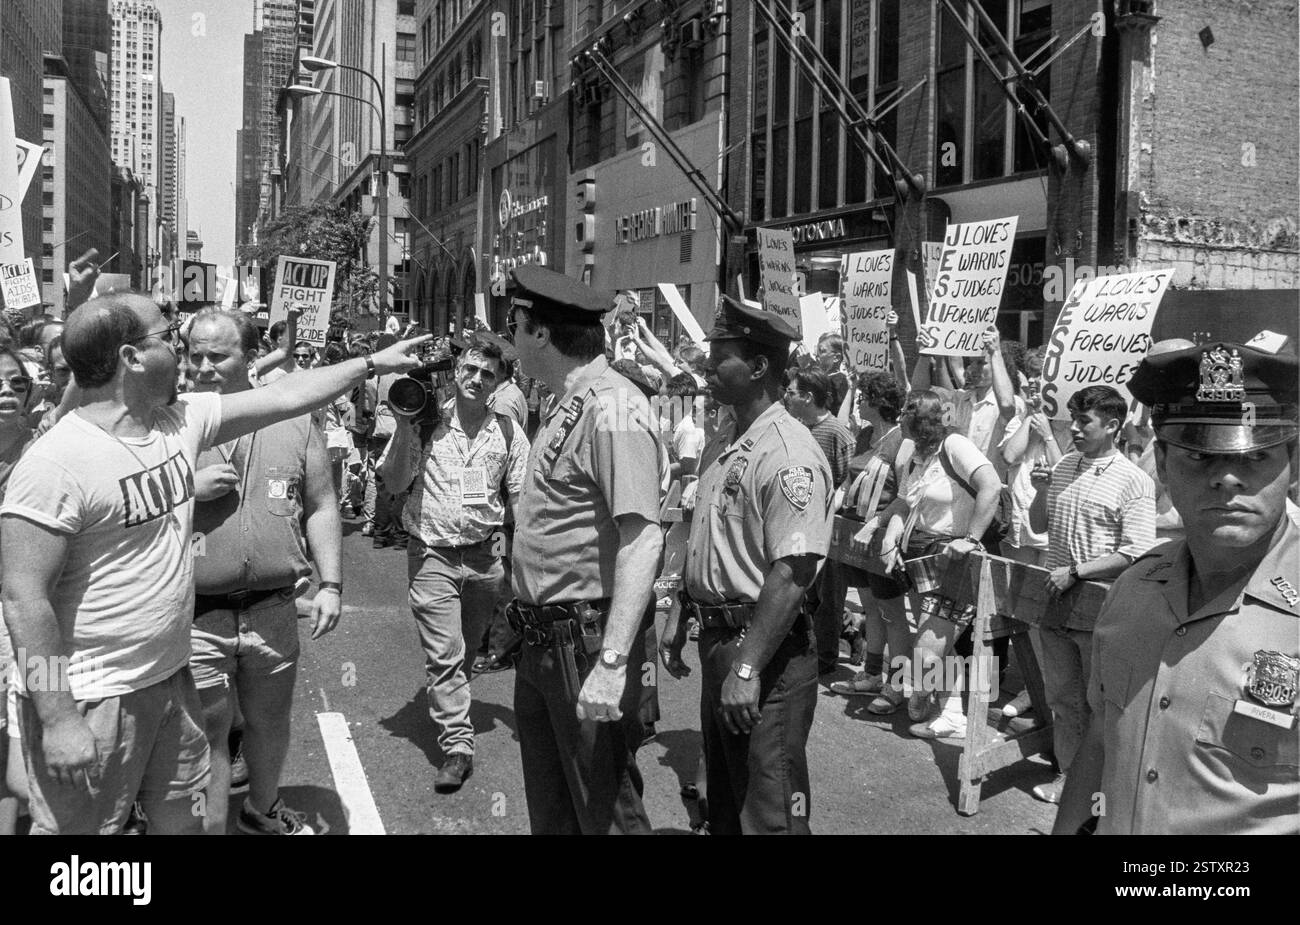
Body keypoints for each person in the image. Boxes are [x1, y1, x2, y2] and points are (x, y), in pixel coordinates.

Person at [0, 292, 425, 835]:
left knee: (188, 824)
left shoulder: (180, 421)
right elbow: (24, 600)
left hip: (170, 681)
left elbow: (289, 395)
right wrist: (57, 717)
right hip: (93, 697)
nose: (181, 346)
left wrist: (370, 364)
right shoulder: (56, 461)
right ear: (132, 357)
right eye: (167, 334)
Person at [1055, 339, 1299, 835]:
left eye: (1255, 458)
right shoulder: (1134, 588)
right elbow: (1101, 744)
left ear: (1292, 463)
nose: (1227, 477)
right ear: (1163, 467)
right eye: (1198, 457)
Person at [665, 297, 833, 835]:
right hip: (721, 639)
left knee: (770, 811)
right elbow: (709, 538)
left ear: (759, 367)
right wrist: (679, 611)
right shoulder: (726, 437)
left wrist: (746, 668)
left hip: (764, 652)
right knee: (728, 804)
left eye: (721, 357)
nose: (707, 368)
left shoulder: (787, 452)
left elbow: (794, 571)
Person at [507, 266, 664, 834]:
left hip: (584, 643)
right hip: (543, 641)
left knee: (606, 815)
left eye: (515, 324)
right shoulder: (565, 400)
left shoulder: (612, 406)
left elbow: (643, 536)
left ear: (540, 333)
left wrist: (613, 662)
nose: (513, 337)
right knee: (554, 814)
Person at [185, 309, 343, 835]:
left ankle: (262, 808)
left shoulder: (293, 419)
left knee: (269, 723)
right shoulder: (168, 421)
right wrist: (186, 485)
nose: (203, 367)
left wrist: (331, 584)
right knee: (206, 734)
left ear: (250, 358)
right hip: (195, 616)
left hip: (273, 610)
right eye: (195, 355)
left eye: (218, 356)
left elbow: (321, 504)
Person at [379, 332, 528, 793]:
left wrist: (525, 564)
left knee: (464, 651)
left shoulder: (508, 431)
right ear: (457, 370)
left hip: (485, 560)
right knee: (445, 655)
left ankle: (450, 703)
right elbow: (393, 482)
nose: (477, 379)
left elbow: (520, 500)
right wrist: (405, 426)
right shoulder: (425, 421)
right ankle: (458, 745)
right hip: (432, 556)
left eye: (489, 374)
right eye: (470, 369)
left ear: (499, 384)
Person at [1027, 385, 1156, 804]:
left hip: (1102, 607)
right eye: (1074, 419)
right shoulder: (1064, 466)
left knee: (1100, 702)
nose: (1075, 429)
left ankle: (1106, 788)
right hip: (1056, 601)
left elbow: (1136, 551)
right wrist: (1041, 490)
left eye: (1085, 422)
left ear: (1113, 426)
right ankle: (1069, 777)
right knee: (1063, 699)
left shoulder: (1133, 480)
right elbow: (1040, 526)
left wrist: (1077, 571)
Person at [877, 390, 1002, 739]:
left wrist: (972, 539)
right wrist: (890, 536)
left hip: (957, 558)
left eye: (905, 413)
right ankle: (951, 714)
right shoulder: (917, 453)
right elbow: (905, 502)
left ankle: (928, 701)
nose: (899, 418)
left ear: (922, 419)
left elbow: (991, 485)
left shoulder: (955, 445)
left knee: (927, 653)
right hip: (924, 556)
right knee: (939, 643)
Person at [832, 372, 915, 714]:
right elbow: (847, 480)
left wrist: (879, 525)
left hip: (883, 537)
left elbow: (907, 495)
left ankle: (897, 685)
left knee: (893, 614)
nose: (859, 402)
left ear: (879, 403)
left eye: (863, 396)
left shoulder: (903, 442)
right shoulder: (865, 434)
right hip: (855, 535)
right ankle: (871, 674)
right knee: (870, 608)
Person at [783, 365, 853, 675]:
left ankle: (825, 656)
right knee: (804, 591)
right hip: (799, 524)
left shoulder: (837, 431)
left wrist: (834, 501)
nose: (786, 396)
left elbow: (850, 478)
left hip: (829, 525)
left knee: (828, 597)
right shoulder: (796, 426)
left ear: (808, 397)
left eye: (792, 392)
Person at [0, 348, 35, 834]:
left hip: (26, 621)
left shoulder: (48, 444)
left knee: (18, 747)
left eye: (16, 383)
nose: (6, 392)